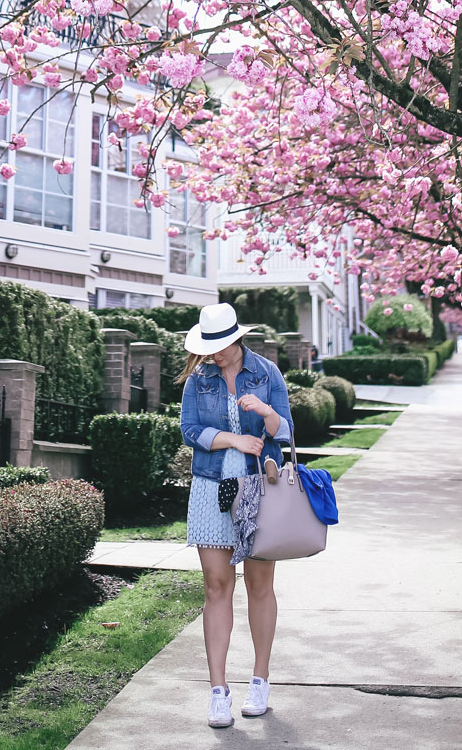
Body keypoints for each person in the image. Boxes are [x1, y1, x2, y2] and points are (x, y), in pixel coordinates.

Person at [179, 302, 294, 728]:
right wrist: (232, 439)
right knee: (216, 586)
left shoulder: (266, 373)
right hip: (211, 490)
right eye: (208, 347)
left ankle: (260, 681)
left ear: (236, 338)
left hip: (259, 490)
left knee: (261, 585)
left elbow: (287, 431)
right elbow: (188, 430)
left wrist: (266, 417)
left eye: (221, 345)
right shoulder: (198, 379)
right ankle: (218, 692)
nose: (214, 354)